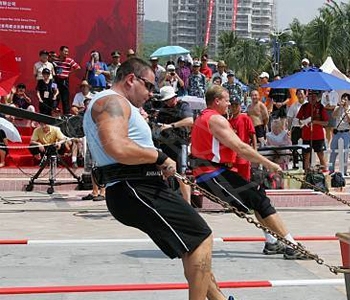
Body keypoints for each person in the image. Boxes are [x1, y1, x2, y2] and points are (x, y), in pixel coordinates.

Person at [83, 57, 232, 300]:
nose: (151, 93)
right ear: (131, 79)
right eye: (149, 86)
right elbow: (116, 146)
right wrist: (159, 156)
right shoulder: (113, 102)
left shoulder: (112, 103)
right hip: (134, 186)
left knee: (192, 247)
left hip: (136, 186)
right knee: (202, 238)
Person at [190, 85, 310, 260]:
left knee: (258, 195)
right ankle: (292, 245)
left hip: (215, 171)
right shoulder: (215, 119)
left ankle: (271, 241)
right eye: (226, 99)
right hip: (211, 174)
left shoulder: (204, 116)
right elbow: (239, 147)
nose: (229, 103)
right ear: (216, 101)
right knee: (260, 200)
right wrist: (269, 164)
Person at [156, 86, 193, 204]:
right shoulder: (162, 109)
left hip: (180, 143)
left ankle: (187, 203)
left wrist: (171, 125)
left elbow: (190, 121)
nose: (166, 102)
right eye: (165, 100)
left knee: (182, 173)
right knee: (165, 172)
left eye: (168, 100)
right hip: (166, 144)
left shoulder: (183, 106)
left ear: (174, 97)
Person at [296, 90, 328, 171]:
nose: (312, 98)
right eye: (310, 96)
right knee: (306, 156)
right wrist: (305, 121)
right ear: (308, 97)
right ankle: (306, 173)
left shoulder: (321, 107)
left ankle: (324, 172)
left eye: (314, 96)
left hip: (318, 136)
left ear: (317, 97)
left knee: (320, 155)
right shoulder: (304, 107)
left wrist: (315, 121)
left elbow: (326, 123)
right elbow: (299, 120)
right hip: (306, 135)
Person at [228, 99, 257, 181]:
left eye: (236, 106)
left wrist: (255, 150)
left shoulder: (245, 118)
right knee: (234, 180)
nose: (234, 108)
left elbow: (252, 135)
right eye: (232, 106)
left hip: (244, 153)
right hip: (232, 156)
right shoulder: (228, 122)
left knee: (245, 178)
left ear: (240, 106)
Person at [54, 45, 81, 115]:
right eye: (65, 51)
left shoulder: (69, 60)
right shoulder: (55, 60)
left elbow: (78, 67)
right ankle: (53, 113)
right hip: (55, 81)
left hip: (64, 81)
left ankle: (66, 115)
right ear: (60, 51)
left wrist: (69, 73)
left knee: (65, 98)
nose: (66, 53)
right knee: (55, 97)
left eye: (67, 52)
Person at [329, 93, 350, 175]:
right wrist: (339, 107)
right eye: (342, 99)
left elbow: (349, 120)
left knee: (345, 152)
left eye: (345, 99)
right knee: (333, 152)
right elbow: (333, 115)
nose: (343, 101)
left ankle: (344, 171)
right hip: (337, 132)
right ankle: (331, 169)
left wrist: (345, 110)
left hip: (346, 132)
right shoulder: (338, 107)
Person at [287, 89, 307, 169]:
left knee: (305, 147)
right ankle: (295, 164)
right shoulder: (294, 105)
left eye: (301, 94)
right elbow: (290, 118)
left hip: (305, 128)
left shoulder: (308, 105)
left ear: (305, 95)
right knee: (294, 147)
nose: (300, 95)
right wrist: (289, 129)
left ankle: (306, 164)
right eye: (298, 94)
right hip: (296, 128)